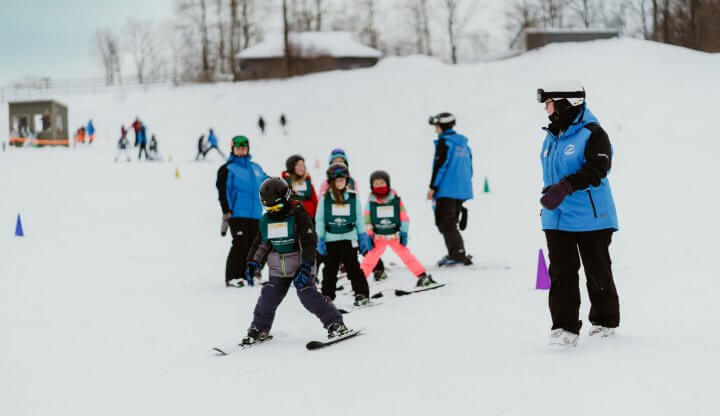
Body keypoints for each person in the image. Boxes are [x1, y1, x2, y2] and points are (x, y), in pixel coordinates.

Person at [537, 82, 620, 348]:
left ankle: (604, 322)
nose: (546, 109)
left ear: (565, 103)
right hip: (557, 218)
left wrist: (566, 186)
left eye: (549, 103)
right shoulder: (552, 136)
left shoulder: (593, 133)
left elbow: (599, 167)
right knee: (561, 273)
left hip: (592, 218)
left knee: (597, 270)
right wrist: (552, 190)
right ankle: (564, 328)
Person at [240, 177, 349, 345]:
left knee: (308, 296)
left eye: (277, 206)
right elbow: (261, 244)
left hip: (300, 267)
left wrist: (306, 267)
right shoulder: (266, 221)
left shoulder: (299, 216)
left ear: (287, 198)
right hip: (278, 269)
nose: (274, 211)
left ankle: (335, 323)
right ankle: (259, 328)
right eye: (269, 208)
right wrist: (253, 262)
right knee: (267, 297)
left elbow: (309, 243)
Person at [360, 170, 437, 287]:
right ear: (372, 185)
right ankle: (358, 282)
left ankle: (422, 276)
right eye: (376, 183)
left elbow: (404, 217)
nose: (379, 185)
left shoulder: (396, 201)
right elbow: (366, 220)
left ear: (387, 183)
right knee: (369, 260)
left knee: (407, 256)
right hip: (378, 238)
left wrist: (404, 232)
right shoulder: (370, 203)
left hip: (394, 236)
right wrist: (369, 235)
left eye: (382, 182)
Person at [316, 163, 373, 306]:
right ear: (331, 182)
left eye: (343, 179)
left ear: (347, 180)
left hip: (349, 238)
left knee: (353, 268)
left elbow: (359, 218)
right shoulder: (325, 198)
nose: (340, 182)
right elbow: (320, 219)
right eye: (337, 180)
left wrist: (362, 236)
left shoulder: (353, 198)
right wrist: (320, 238)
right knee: (330, 270)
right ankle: (327, 296)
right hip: (331, 239)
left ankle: (361, 293)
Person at [216, 135, 268, 287]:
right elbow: (223, 191)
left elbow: (267, 182)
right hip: (237, 213)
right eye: (238, 148)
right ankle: (233, 276)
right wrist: (227, 210)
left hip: (256, 213)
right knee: (240, 244)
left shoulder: (255, 168)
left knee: (257, 245)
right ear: (233, 149)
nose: (241, 150)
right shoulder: (227, 169)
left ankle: (250, 274)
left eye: (244, 148)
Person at [427, 112, 473, 267]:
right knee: (451, 222)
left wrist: (433, 187)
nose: (435, 130)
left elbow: (440, 166)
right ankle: (458, 251)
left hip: (447, 190)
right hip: (462, 189)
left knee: (446, 223)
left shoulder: (444, 143)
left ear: (442, 126)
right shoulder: (463, 144)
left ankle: (457, 254)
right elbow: (470, 167)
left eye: (436, 126)